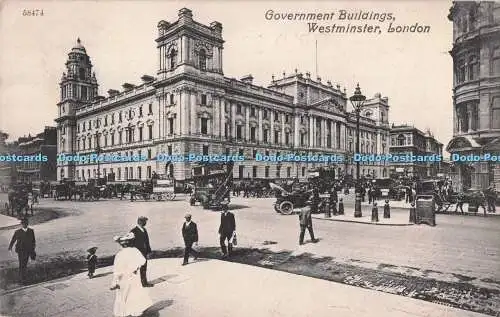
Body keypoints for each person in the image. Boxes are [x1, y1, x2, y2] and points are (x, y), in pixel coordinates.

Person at [110, 233, 153, 317]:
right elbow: (143, 261)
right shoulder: (135, 251)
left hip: (123, 278)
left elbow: (117, 271)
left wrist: (114, 282)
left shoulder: (119, 255)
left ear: (121, 244)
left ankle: (125, 313)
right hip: (134, 276)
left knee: (123, 295)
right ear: (130, 242)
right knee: (135, 293)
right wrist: (135, 268)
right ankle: (136, 311)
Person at [8, 217, 36, 284]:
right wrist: (10, 247)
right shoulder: (18, 232)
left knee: (24, 264)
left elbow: (33, 241)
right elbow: (13, 240)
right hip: (20, 251)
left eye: (26, 223)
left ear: (27, 224)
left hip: (28, 250)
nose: (24, 225)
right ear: (21, 224)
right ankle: (21, 279)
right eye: (23, 223)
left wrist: (32, 249)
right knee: (21, 264)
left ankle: (24, 278)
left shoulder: (31, 231)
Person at [130, 216, 153, 287]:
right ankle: (135, 283)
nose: (146, 223)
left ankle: (144, 283)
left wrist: (149, 251)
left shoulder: (144, 230)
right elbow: (131, 243)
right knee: (135, 268)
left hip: (144, 252)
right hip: (137, 253)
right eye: (145, 221)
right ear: (140, 222)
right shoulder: (133, 231)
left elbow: (147, 241)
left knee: (143, 267)